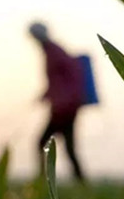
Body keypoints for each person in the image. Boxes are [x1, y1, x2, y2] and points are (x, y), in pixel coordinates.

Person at [29, 21, 85, 181]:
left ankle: (43, 180)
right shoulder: (52, 51)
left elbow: (69, 78)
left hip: (64, 108)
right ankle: (80, 180)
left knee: (42, 143)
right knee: (69, 147)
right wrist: (46, 95)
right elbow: (57, 81)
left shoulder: (54, 52)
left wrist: (60, 100)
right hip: (65, 106)